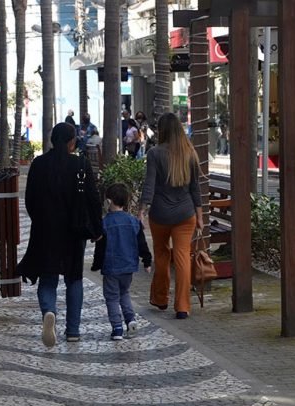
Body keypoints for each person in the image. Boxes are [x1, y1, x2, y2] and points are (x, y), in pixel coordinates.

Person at [17, 122, 102, 347]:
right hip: (74, 232)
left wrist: (40, 220)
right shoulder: (81, 165)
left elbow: (30, 200)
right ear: (72, 141)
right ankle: (73, 331)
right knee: (74, 278)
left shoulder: (39, 164)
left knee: (48, 277)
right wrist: (97, 229)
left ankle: (49, 311)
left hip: (45, 230)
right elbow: (93, 199)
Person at [140, 112, 203, 320]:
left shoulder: (155, 154)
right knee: (183, 258)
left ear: (162, 131)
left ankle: (160, 298)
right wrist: (200, 216)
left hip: (160, 214)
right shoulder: (190, 153)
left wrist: (143, 208)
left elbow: (149, 183)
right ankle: (183, 306)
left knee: (161, 255)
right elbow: (196, 189)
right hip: (186, 214)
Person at [91, 183, 152, 341]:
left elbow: (100, 247)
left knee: (112, 297)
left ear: (108, 202)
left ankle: (117, 327)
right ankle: (130, 319)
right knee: (124, 293)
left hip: (111, 267)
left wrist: (96, 264)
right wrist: (147, 261)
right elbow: (142, 243)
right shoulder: (133, 221)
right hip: (128, 267)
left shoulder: (105, 223)